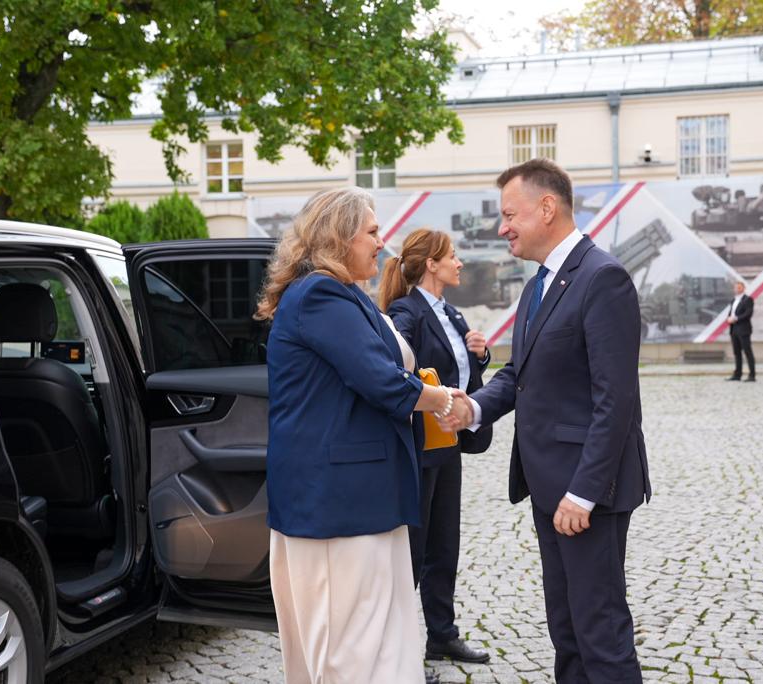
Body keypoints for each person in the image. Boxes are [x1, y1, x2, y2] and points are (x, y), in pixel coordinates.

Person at [447, 159, 651, 683]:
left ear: (547, 207)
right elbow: (521, 372)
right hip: (547, 488)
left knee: (600, 632)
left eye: (510, 214)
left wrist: (584, 493)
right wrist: (473, 407)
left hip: (586, 496)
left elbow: (617, 399)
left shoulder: (602, 277)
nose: (502, 227)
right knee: (567, 630)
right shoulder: (541, 283)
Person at [255, 187, 464, 684]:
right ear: (338, 236)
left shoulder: (344, 292)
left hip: (364, 503)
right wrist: (443, 401)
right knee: (349, 652)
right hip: (337, 509)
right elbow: (381, 379)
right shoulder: (320, 293)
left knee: (377, 643)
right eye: (372, 231)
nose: (380, 241)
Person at [378, 228, 493, 667]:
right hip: (420, 445)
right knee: (415, 547)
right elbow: (395, 360)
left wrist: (478, 357)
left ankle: (441, 635)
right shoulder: (406, 312)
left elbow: (460, 375)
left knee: (445, 543)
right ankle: (400, 645)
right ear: (431, 264)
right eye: (453, 255)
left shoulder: (453, 314)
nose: (459, 262)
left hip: (447, 444)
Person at [726, 280, 755, 382]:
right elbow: (731, 312)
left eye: (739, 287)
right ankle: (737, 374)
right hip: (734, 329)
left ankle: (752, 375)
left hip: (744, 329)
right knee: (737, 352)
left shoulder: (748, 299)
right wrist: (729, 318)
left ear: (743, 288)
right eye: (736, 287)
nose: (737, 289)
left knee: (747, 352)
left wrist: (736, 318)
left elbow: (748, 313)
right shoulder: (733, 300)